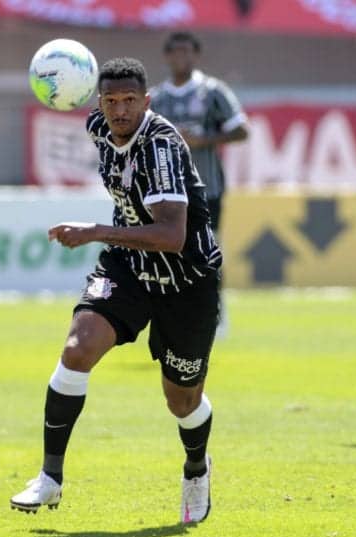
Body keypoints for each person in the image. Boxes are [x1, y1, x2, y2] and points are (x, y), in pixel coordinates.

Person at [10, 57, 222, 525]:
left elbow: (172, 236)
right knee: (77, 348)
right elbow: (75, 92)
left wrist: (94, 231)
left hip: (186, 281)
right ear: (99, 102)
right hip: (129, 267)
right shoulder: (99, 125)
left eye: (129, 101)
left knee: (182, 401)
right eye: (110, 101)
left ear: (147, 101)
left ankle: (196, 467)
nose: (120, 110)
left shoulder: (161, 146)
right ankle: (49, 477)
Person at [150, 31, 249, 335]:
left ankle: (215, 313)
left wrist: (204, 140)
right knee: (168, 252)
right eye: (176, 51)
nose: (182, 57)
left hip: (207, 188)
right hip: (166, 192)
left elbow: (241, 130)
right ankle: (173, 315)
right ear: (167, 56)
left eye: (187, 51)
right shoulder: (155, 98)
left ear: (196, 55)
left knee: (208, 251)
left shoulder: (212, 91)